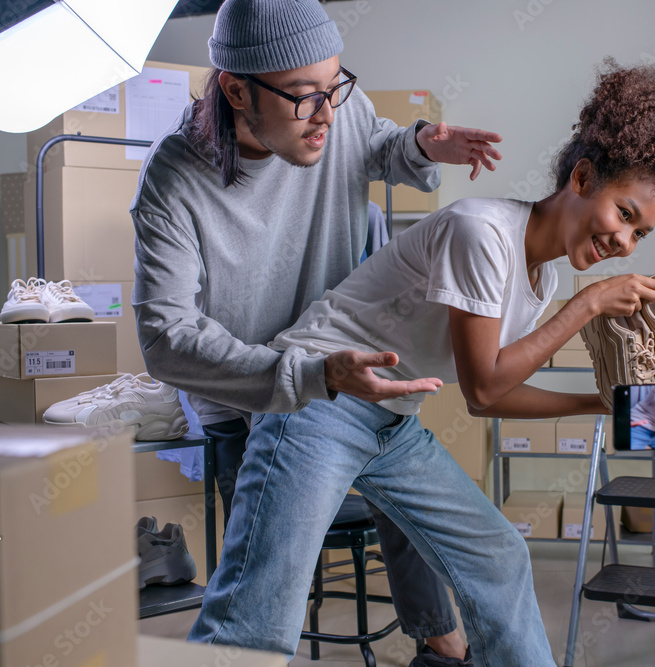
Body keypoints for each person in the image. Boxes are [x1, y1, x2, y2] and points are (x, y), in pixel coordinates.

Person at [187, 59, 655, 664]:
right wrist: (589, 305)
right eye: (624, 215)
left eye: (640, 234)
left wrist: (604, 405)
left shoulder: (539, 277)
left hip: (389, 424)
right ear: (581, 178)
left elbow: (495, 393)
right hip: (318, 403)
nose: (624, 243)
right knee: (257, 619)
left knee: (497, 555)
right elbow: (484, 389)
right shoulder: (482, 232)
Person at [130, 1, 503, 663]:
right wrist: (303, 377)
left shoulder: (336, 110)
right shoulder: (172, 179)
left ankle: (440, 644)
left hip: (342, 367)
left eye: (336, 86)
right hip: (250, 394)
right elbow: (164, 336)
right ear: (237, 89)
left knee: (424, 502)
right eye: (306, 97)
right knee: (263, 587)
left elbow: (375, 142)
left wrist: (418, 144)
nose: (328, 113)